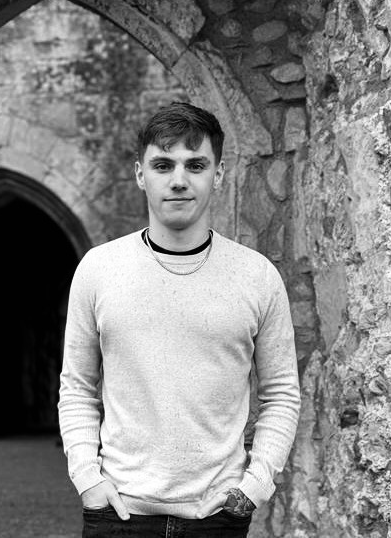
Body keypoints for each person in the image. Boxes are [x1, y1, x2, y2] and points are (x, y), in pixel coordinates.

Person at [58, 102, 301, 537]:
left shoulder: (257, 275)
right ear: (140, 174)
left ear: (218, 174)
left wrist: (253, 488)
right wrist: (87, 479)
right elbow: (77, 387)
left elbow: (282, 394)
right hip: (119, 515)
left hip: (217, 518)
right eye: (163, 164)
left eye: (196, 165)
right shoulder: (98, 269)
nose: (178, 180)